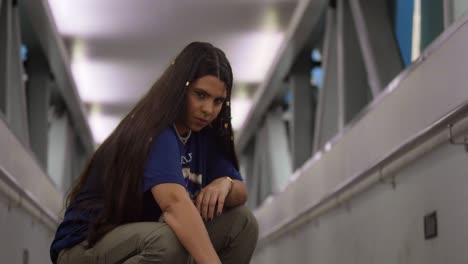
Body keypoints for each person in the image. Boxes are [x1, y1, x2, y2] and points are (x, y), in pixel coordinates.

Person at [50, 42, 259, 264]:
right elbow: (175, 206)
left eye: (218, 101)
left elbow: (241, 192)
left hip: (138, 242)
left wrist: (225, 183)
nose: (208, 109)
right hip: (84, 245)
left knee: (242, 222)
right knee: (168, 242)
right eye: (200, 95)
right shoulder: (155, 130)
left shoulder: (204, 137)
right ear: (180, 88)